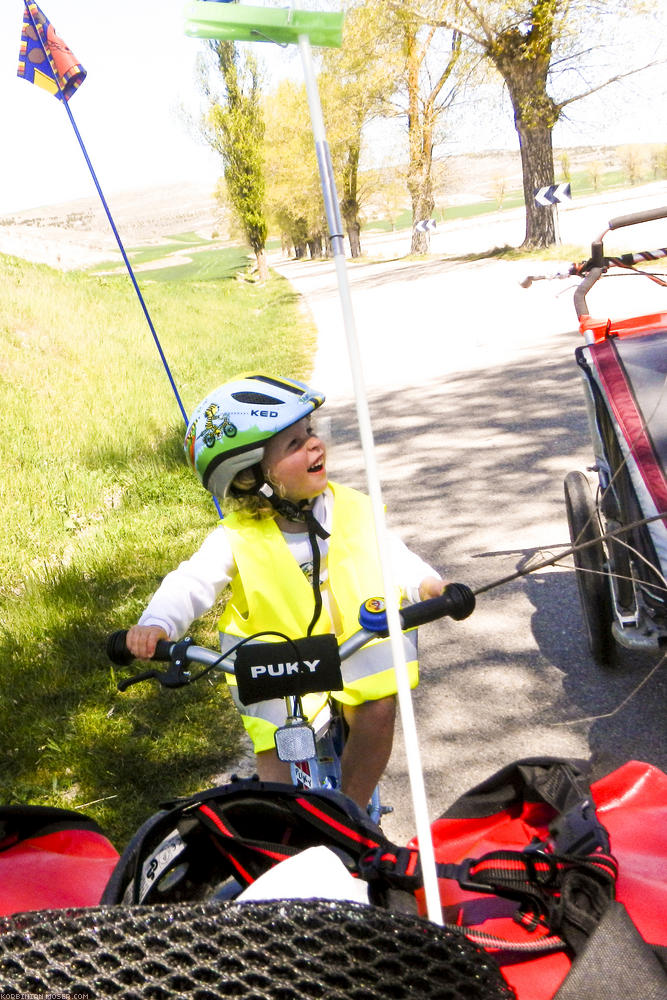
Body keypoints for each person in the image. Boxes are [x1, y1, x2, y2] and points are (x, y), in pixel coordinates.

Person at [126, 372, 445, 810]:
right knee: (277, 748)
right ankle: (287, 826)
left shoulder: (348, 508)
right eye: (294, 444)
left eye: (310, 433)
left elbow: (390, 553)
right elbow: (191, 582)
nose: (314, 445)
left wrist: (426, 585)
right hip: (272, 657)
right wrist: (157, 623)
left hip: (354, 641)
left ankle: (349, 815)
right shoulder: (236, 536)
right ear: (247, 477)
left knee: (377, 710)